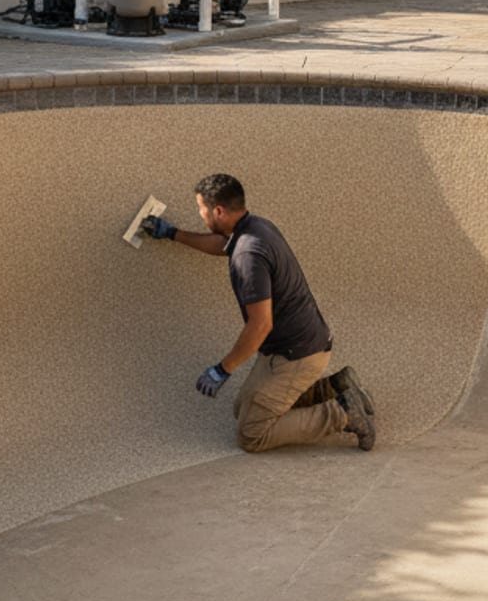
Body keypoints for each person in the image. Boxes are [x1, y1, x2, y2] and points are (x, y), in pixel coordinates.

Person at [141, 174, 377, 452]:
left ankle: (343, 413)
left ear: (218, 211)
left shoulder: (248, 256)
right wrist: (172, 233)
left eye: (201, 208)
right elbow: (222, 245)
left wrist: (222, 369)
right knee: (242, 410)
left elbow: (260, 325)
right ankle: (337, 387)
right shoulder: (256, 227)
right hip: (295, 344)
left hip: (298, 355)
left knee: (252, 434)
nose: (200, 214)